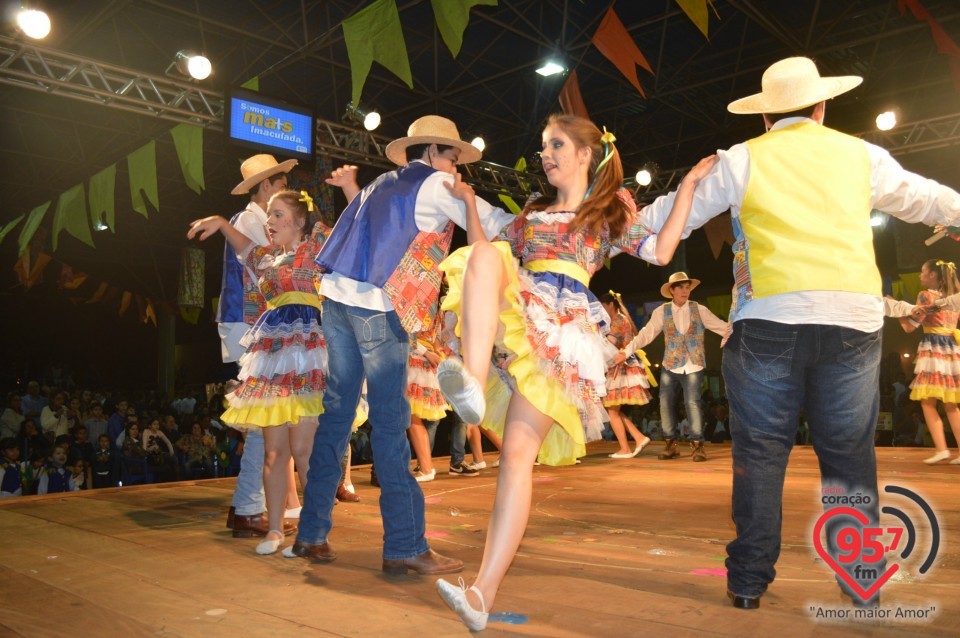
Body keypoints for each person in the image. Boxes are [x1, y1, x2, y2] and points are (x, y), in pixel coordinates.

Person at [637, 56, 960, 609]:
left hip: (769, 317)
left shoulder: (741, 159)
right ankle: (861, 579)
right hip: (851, 322)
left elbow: (665, 216)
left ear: (765, 117)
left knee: (760, 455)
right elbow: (926, 197)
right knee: (849, 455)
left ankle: (747, 582)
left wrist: (598, 223)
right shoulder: (861, 154)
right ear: (821, 105)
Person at [435, 114, 716, 630]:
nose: (545, 153)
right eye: (543, 145)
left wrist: (690, 186)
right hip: (523, 308)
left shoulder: (606, 211)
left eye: (556, 144)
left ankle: (480, 594)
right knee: (480, 255)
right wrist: (470, 204)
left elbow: (659, 251)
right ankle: (471, 385)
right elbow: (485, 256)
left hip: (564, 330)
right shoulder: (533, 213)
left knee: (516, 460)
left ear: (587, 154)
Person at [288, 115, 514, 574]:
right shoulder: (433, 185)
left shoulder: (382, 183)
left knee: (336, 419)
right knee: (391, 422)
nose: (458, 169)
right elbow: (494, 224)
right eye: (453, 157)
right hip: (376, 307)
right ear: (432, 152)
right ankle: (406, 546)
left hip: (336, 303)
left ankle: (311, 534)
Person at [188, 189, 331, 555]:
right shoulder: (266, 258)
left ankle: (313, 532)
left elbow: (347, 242)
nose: (270, 222)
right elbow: (242, 247)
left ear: (300, 221)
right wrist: (220, 222)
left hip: (307, 351)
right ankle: (274, 530)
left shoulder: (316, 247)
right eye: (269, 216)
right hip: (271, 354)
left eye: (279, 215)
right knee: (273, 453)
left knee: (303, 450)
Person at [217, 154, 301, 541]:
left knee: (264, 417)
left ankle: (245, 506)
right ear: (267, 186)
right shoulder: (252, 219)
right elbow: (261, 269)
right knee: (263, 418)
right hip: (250, 324)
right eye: (281, 187)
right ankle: (249, 508)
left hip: (248, 324)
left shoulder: (248, 218)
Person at [614, 272, 729, 462]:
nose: (685, 291)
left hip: (694, 364)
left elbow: (721, 327)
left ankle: (698, 446)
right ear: (672, 291)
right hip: (670, 364)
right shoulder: (662, 311)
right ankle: (670, 444)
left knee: (692, 403)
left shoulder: (699, 309)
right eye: (681, 288)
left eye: (687, 288)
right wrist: (626, 351)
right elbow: (646, 334)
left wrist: (742, 330)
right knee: (665, 403)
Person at [897, 259, 960, 464]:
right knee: (951, 404)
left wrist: (897, 311)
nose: (920, 275)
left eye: (923, 271)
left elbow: (910, 327)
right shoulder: (953, 298)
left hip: (934, 349)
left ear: (933, 275)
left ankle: (942, 449)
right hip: (951, 350)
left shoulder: (925, 296)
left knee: (928, 401)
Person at [600, 291, 654, 458]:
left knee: (612, 409)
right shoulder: (622, 318)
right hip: (624, 366)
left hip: (622, 368)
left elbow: (610, 344)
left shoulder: (617, 320)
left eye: (602, 306)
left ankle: (625, 448)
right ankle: (639, 437)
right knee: (613, 408)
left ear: (610, 305)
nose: (601, 310)